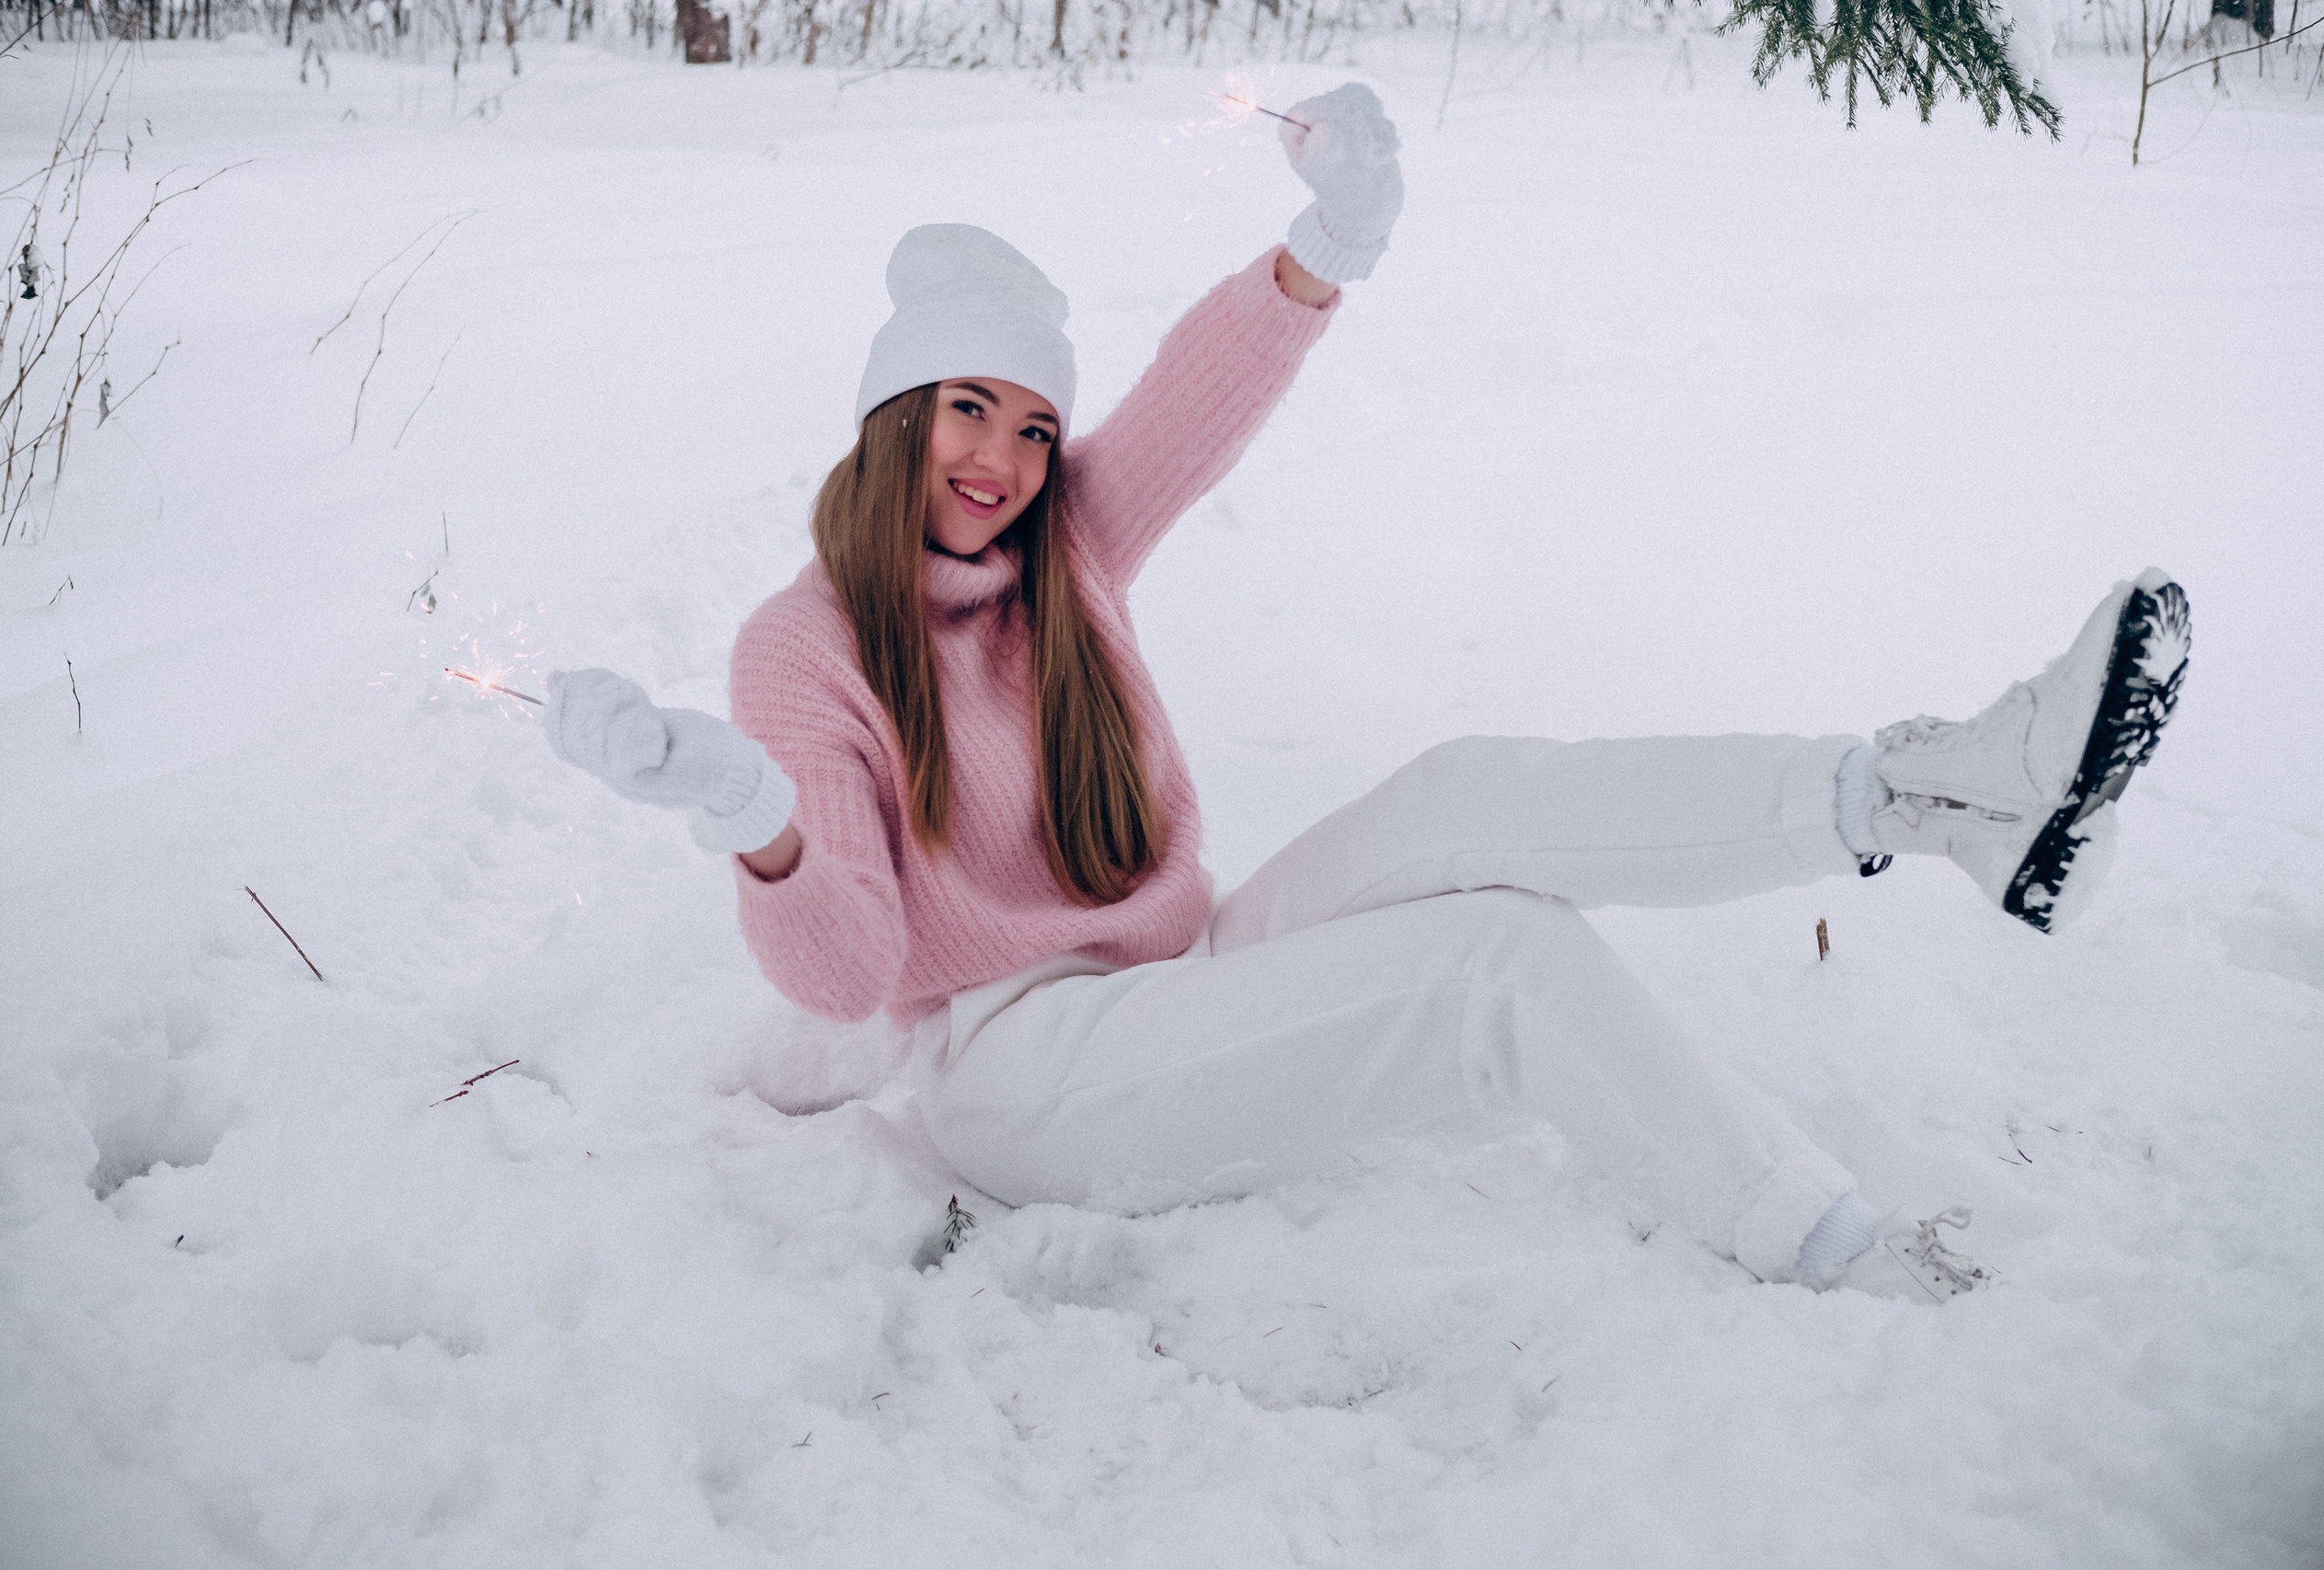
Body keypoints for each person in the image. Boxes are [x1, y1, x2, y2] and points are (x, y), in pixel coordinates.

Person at [543, 85, 2191, 1303]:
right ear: (895, 416)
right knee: (1495, 961)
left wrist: (1326, 248)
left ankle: (1949, 792)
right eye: (967, 409)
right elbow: (843, 972)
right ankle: (1829, 1246)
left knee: (1469, 791)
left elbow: (1197, 394)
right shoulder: (806, 646)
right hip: (1019, 1076)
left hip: (1175, 965)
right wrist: (752, 820)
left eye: (1034, 426)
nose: (1005, 459)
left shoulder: (1065, 557)